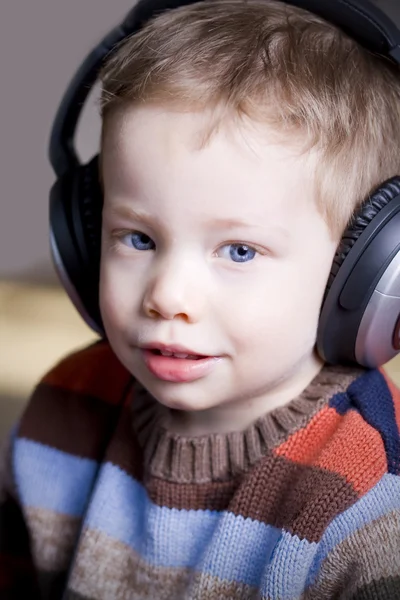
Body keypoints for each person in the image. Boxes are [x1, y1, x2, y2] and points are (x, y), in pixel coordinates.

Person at [1, 0, 400, 598]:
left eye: (239, 251)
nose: (168, 296)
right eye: (138, 238)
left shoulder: (368, 500)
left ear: (361, 272)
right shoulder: (65, 407)